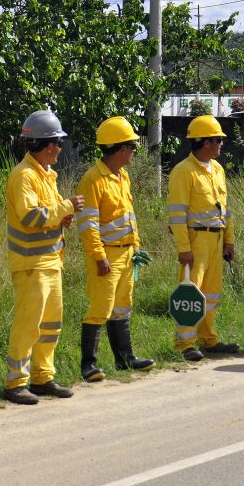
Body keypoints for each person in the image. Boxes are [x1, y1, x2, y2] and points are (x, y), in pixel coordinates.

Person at [2, 110, 84, 404]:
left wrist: (61, 218)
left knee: (50, 325)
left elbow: (45, 216)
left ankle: (42, 377)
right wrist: (65, 207)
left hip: (50, 262)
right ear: (46, 144)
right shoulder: (23, 176)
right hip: (31, 264)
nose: (60, 149)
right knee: (29, 324)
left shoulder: (45, 175)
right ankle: (15, 383)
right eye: (58, 143)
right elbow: (30, 216)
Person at [75, 117, 154, 382]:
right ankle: (89, 366)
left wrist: (136, 247)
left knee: (122, 306)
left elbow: (128, 215)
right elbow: (88, 224)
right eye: (132, 146)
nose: (134, 150)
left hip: (126, 253)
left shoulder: (123, 176)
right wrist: (98, 256)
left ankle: (125, 359)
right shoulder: (93, 179)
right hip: (106, 255)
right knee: (100, 307)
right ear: (120, 148)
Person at [166, 114, 238, 362]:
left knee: (211, 292)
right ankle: (184, 343)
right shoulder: (183, 171)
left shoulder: (217, 169)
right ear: (205, 142)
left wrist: (229, 240)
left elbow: (225, 208)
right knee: (190, 292)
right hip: (196, 240)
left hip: (216, 240)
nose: (221, 144)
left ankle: (208, 338)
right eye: (217, 139)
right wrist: (184, 248)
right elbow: (177, 214)